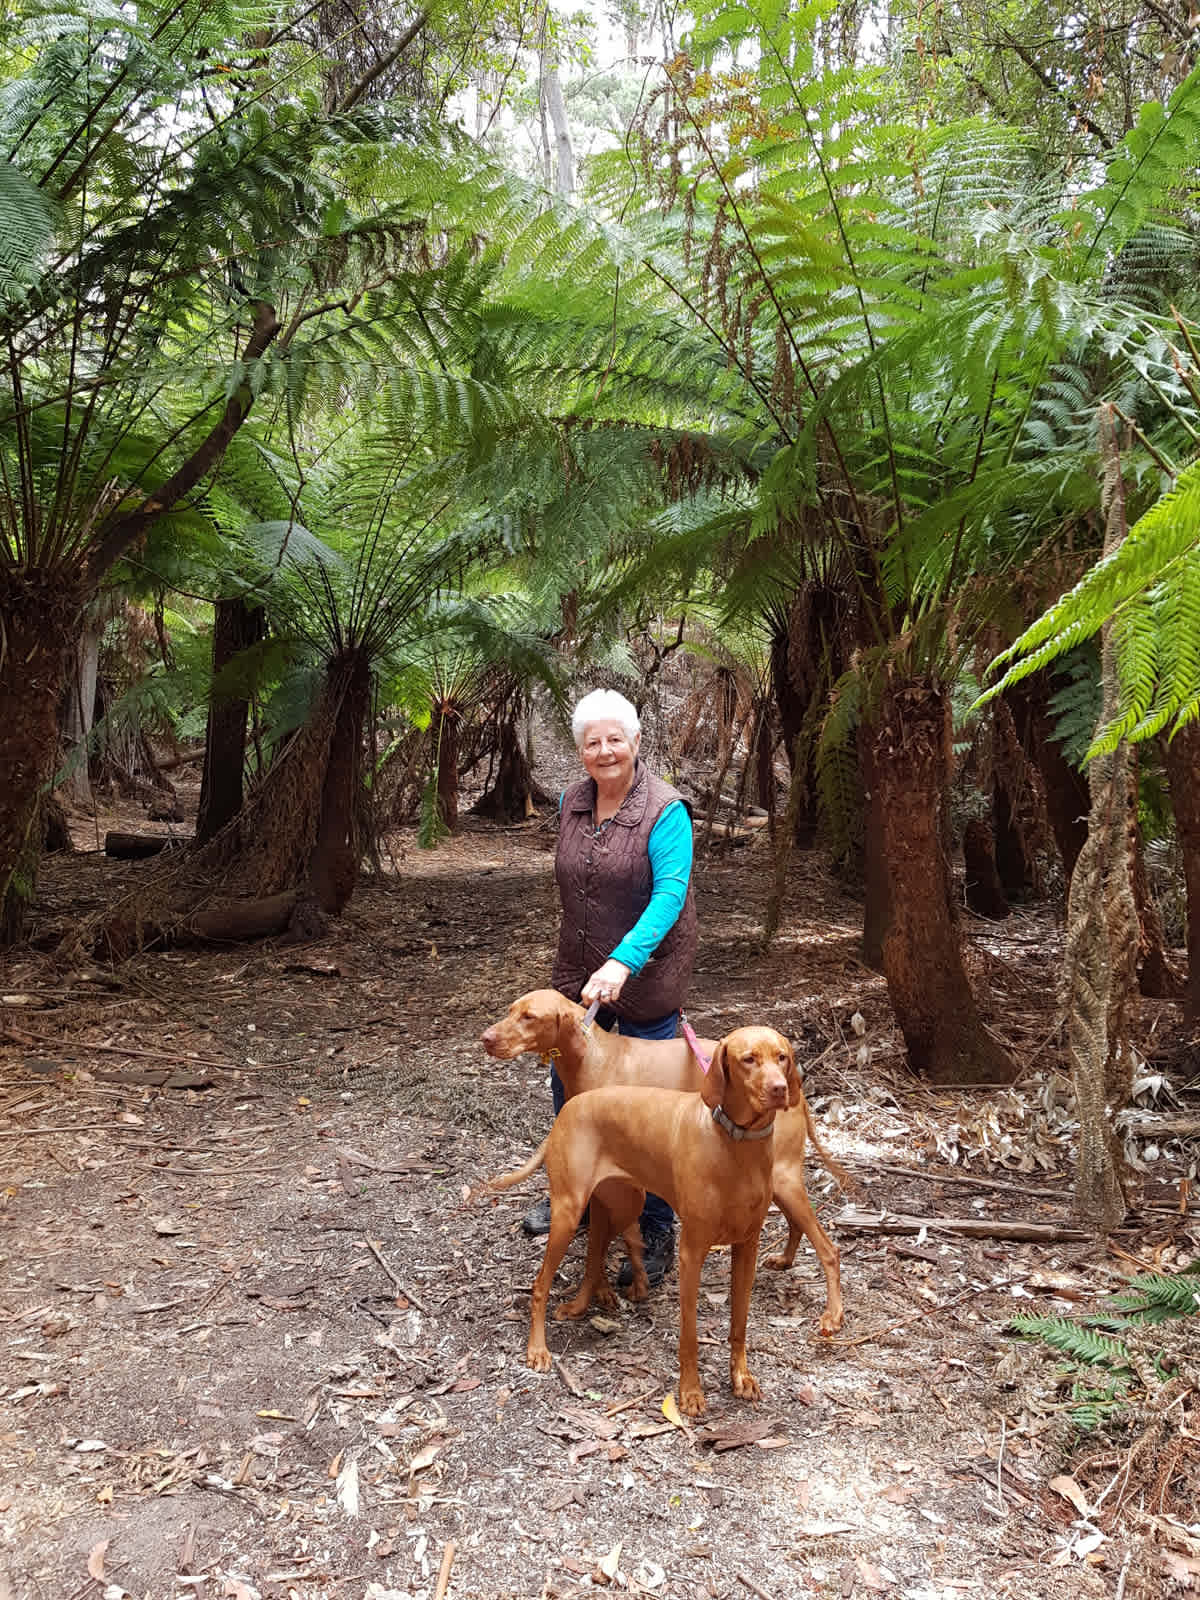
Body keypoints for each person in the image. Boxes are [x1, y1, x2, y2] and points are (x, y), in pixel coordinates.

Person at [522, 687, 697, 1292]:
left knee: (645, 1108)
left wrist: (623, 960)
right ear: (580, 750)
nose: (604, 751)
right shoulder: (573, 801)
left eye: (614, 739)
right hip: (577, 976)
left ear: (637, 741)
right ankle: (580, 1193)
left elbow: (670, 895)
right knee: (570, 1084)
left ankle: (653, 1225)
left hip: (646, 978)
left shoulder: (666, 810)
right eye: (592, 742)